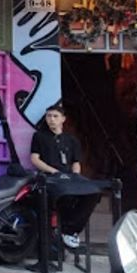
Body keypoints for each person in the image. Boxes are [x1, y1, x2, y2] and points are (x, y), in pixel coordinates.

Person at [30, 104, 101, 250]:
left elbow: (76, 163)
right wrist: (53, 171)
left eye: (55, 116)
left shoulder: (71, 140)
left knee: (94, 192)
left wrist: (76, 177)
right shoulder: (39, 136)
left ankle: (70, 230)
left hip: (68, 177)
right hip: (50, 178)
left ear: (63, 119)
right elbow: (35, 159)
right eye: (49, 116)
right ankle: (64, 231)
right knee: (65, 198)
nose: (51, 119)